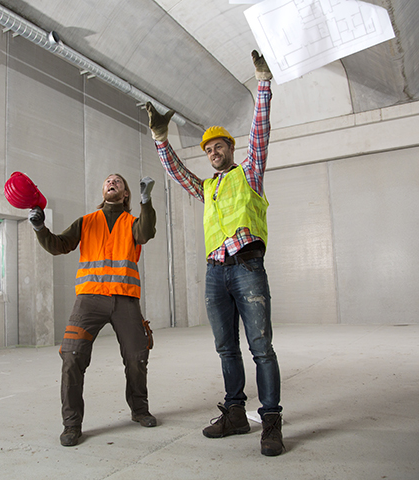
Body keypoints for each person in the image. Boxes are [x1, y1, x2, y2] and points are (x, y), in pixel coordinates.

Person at [145, 51, 284, 456]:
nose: (212, 153)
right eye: (208, 149)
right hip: (215, 272)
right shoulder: (207, 187)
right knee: (226, 348)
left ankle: (271, 421)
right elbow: (176, 173)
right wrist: (160, 141)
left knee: (261, 347)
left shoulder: (249, 173)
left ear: (229, 148)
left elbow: (261, 133)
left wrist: (263, 86)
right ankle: (236, 413)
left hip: (247, 267)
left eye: (218, 146)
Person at [28, 174, 158, 447]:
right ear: (103, 191)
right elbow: (59, 246)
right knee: (72, 357)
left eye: (118, 182)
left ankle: (139, 409)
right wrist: (40, 227)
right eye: (108, 181)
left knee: (137, 357)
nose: (112, 183)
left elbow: (146, 233)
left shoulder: (133, 223)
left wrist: (146, 201)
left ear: (125, 195)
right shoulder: (86, 221)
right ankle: (72, 424)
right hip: (89, 300)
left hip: (125, 300)